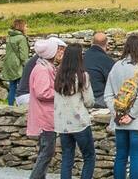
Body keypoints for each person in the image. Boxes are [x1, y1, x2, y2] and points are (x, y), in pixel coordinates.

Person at [104, 35, 138, 179]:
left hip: (120, 121)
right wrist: (131, 115)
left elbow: (107, 94)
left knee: (121, 157)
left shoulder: (116, 66)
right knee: (136, 159)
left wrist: (117, 114)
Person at [52, 45, 97, 179]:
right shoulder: (82, 76)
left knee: (67, 157)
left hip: (62, 123)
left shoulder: (58, 74)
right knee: (89, 157)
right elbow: (89, 101)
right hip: (79, 122)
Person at [26, 37, 65, 179]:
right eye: (59, 50)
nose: (61, 53)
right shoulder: (42, 69)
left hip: (45, 117)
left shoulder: (45, 67)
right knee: (46, 152)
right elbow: (42, 93)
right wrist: (61, 93)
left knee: (46, 152)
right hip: (44, 118)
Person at [0, 18, 32, 106]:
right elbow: (23, 56)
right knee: (22, 87)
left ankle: (10, 106)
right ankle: (20, 106)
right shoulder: (21, 38)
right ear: (21, 27)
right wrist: (28, 67)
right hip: (18, 65)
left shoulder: (10, 37)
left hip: (9, 64)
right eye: (25, 26)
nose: (27, 28)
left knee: (12, 87)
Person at [84, 32, 115, 101]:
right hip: (99, 97)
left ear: (92, 42)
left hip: (84, 96)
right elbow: (114, 82)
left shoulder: (85, 56)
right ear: (107, 44)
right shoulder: (107, 60)